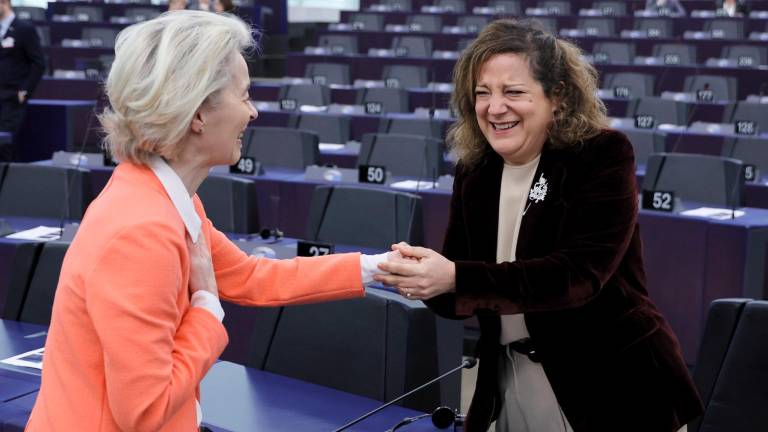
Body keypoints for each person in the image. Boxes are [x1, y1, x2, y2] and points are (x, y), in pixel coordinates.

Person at [26, 11, 392, 431]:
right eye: (244, 95)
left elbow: (253, 277)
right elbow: (144, 413)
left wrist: (376, 268)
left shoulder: (162, 196)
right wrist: (206, 310)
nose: (253, 113)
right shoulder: (143, 231)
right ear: (198, 113)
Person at [376, 19, 703, 432]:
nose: (495, 108)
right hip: (512, 382)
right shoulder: (474, 172)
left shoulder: (602, 155)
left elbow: (577, 276)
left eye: (513, 92)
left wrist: (455, 276)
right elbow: (459, 295)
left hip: (613, 382)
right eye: (482, 93)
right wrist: (421, 277)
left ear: (558, 97)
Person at [0, 0, 44, 161]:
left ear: (5, 3)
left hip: (13, 97)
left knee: (4, 144)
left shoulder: (24, 29)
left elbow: (38, 63)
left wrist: (25, 91)